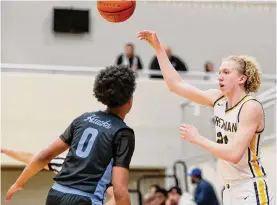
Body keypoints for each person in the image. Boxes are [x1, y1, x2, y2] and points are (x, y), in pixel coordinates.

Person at [136, 30, 274, 205]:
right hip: (230, 189)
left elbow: (234, 154)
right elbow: (176, 85)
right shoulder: (217, 99)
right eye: (219, 72)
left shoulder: (250, 107)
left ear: (241, 78)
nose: (219, 76)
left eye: (226, 72)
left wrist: (197, 138)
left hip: (251, 186)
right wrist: (158, 49)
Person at [5, 65, 137, 205]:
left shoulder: (84, 118)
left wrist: (19, 182)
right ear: (129, 99)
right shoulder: (123, 133)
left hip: (56, 194)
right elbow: (120, 190)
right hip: (85, 199)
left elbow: (45, 155)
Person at [0, 148, 115, 204]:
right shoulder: (66, 164)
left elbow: (117, 197)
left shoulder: (106, 173)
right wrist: (5, 151)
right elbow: (33, 158)